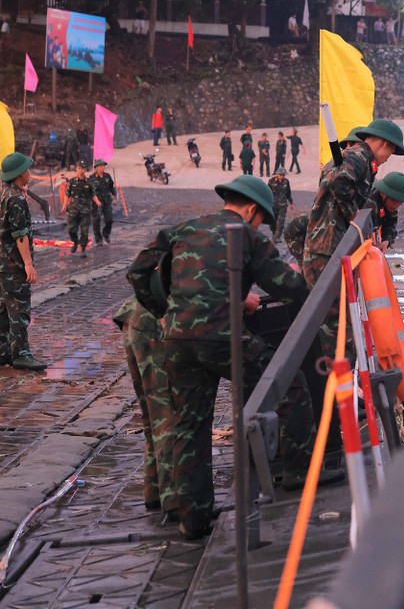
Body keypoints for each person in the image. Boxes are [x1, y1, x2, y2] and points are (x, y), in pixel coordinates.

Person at [127, 175, 316, 540]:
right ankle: (299, 477)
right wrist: (315, 287)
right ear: (250, 209)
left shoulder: (185, 228)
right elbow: (287, 287)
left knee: (189, 426)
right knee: (290, 386)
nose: (260, 225)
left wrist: (164, 309)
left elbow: (137, 271)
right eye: (261, 218)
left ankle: (194, 521)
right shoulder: (247, 235)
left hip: (177, 341)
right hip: (223, 338)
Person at [302, 119, 404, 286]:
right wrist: (354, 216)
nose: (388, 158)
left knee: (336, 307)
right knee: (332, 308)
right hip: (327, 249)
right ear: (385, 143)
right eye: (391, 152)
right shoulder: (358, 157)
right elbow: (337, 181)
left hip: (333, 247)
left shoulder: (360, 159)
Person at [113, 296, 173, 514]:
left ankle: (155, 490)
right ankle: (174, 499)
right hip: (157, 320)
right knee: (166, 413)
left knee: (152, 414)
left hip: (137, 315)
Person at [0, 153, 46, 370]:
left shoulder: (4, 194)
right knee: (19, 309)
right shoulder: (16, 199)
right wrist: (28, 264)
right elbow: (20, 235)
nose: (30, 173)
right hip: (14, 264)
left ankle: (4, 351)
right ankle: (21, 353)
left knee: (3, 309)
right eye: (27, 169)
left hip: (2, 263)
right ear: (19, 174)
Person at [367, 172, 404, 251]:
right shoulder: (369, 204)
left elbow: (391, 223)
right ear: (383, 194)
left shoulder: (390, 205)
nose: (397, 205)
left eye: (400, 201)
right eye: (394, 200)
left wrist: (387, 240)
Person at [63, 163, 96, 257]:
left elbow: (93, 195)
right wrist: (64, 206)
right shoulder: (72, 181)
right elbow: (67, 194)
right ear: (76, 169)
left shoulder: (89, 182)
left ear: (85, 170)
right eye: (79, 168)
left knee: (84, 231)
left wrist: (96, 203)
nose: (81, 170)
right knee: (70, 229)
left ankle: (83, 249)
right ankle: (75, 241)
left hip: (85, 211)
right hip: (73, 209)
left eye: (83, 168)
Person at [90, 159, 116, 245]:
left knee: (109, 219)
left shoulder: (107, 176)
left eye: (103, 165)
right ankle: (98, 239)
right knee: (96, 220)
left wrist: (113, 194)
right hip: (96, 202)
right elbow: (90, 191)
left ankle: (106, 233)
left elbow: (112, 186)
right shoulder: (92, 178)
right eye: (100, 166)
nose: (102, 167)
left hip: (107, 201)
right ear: (96, 167)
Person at [268, 167, 293, 242]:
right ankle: (274, 233)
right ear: (277, 174)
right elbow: (268, 192)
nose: (282, 176)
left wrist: (291, 202)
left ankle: (277, 237)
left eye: (283, 175)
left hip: (283, 205)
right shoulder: (271, 181)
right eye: (281, 175)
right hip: (273, 205)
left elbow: (288, 192)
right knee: (272, 221)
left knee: (281, 222)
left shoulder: (286, 182)